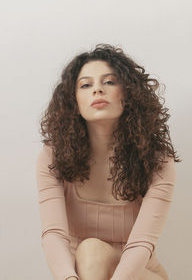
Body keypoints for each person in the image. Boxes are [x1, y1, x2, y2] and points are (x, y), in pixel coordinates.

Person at [36, 43, 181, 280]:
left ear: (128, 93)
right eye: (85, 85)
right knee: (89, 253)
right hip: (82, 275)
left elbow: (142, 243)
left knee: (93, 252)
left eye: (109, 82)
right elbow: (54, 234)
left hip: (139, 275)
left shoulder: (157, 160)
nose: (97, 90)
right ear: (74, 101)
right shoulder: (53, 157)